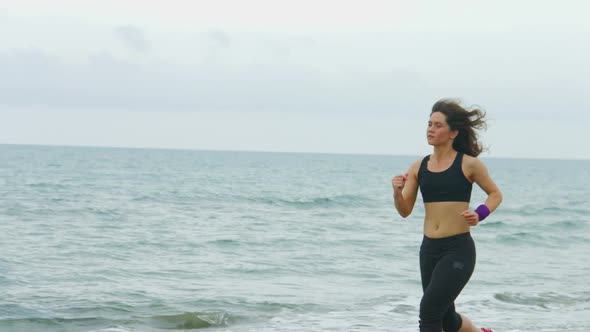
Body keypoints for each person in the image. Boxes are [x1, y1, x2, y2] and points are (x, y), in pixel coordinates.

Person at [392, 99, 502, 332]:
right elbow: (404, 211)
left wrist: (479, 213)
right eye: (429, 124)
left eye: (438, 125)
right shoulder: (418, 167)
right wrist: (396, 191)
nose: (431, 129)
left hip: (458, 249)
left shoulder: (469, 165)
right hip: (429, 249)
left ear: (453, 132)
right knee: (444, 316)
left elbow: (495, 195)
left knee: (429, 310)